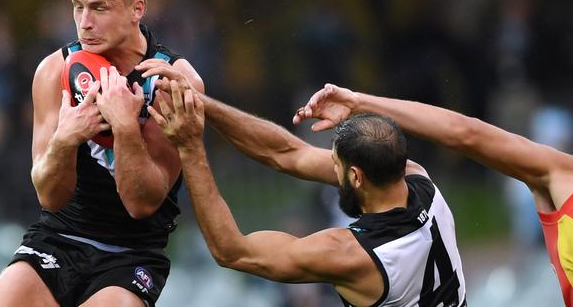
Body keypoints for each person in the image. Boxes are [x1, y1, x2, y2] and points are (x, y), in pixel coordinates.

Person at [0, 0, 203, 307]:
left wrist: (126, 128)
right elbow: (49, 196)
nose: (85, 22)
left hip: (130, 253)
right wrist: (67, 139)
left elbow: (142, 204)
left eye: (99, 8)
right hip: (59, 239)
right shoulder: (53, 71)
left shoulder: (172, 82)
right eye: (78, 7)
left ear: (137, 10)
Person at [139, 65, 467, 306]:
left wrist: (190, 147)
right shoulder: (419, 180)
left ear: (356, 177)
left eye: (336, 167)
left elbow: (233, 251)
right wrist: (199, 103)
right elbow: (288, 154)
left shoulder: (349, 255)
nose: (332, 174)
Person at [291, 83, 573, 307]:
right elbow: (464, 133)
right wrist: (358, 104)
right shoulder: (563, 177)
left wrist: (359, 104)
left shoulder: (563, 176)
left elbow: (466, 134)